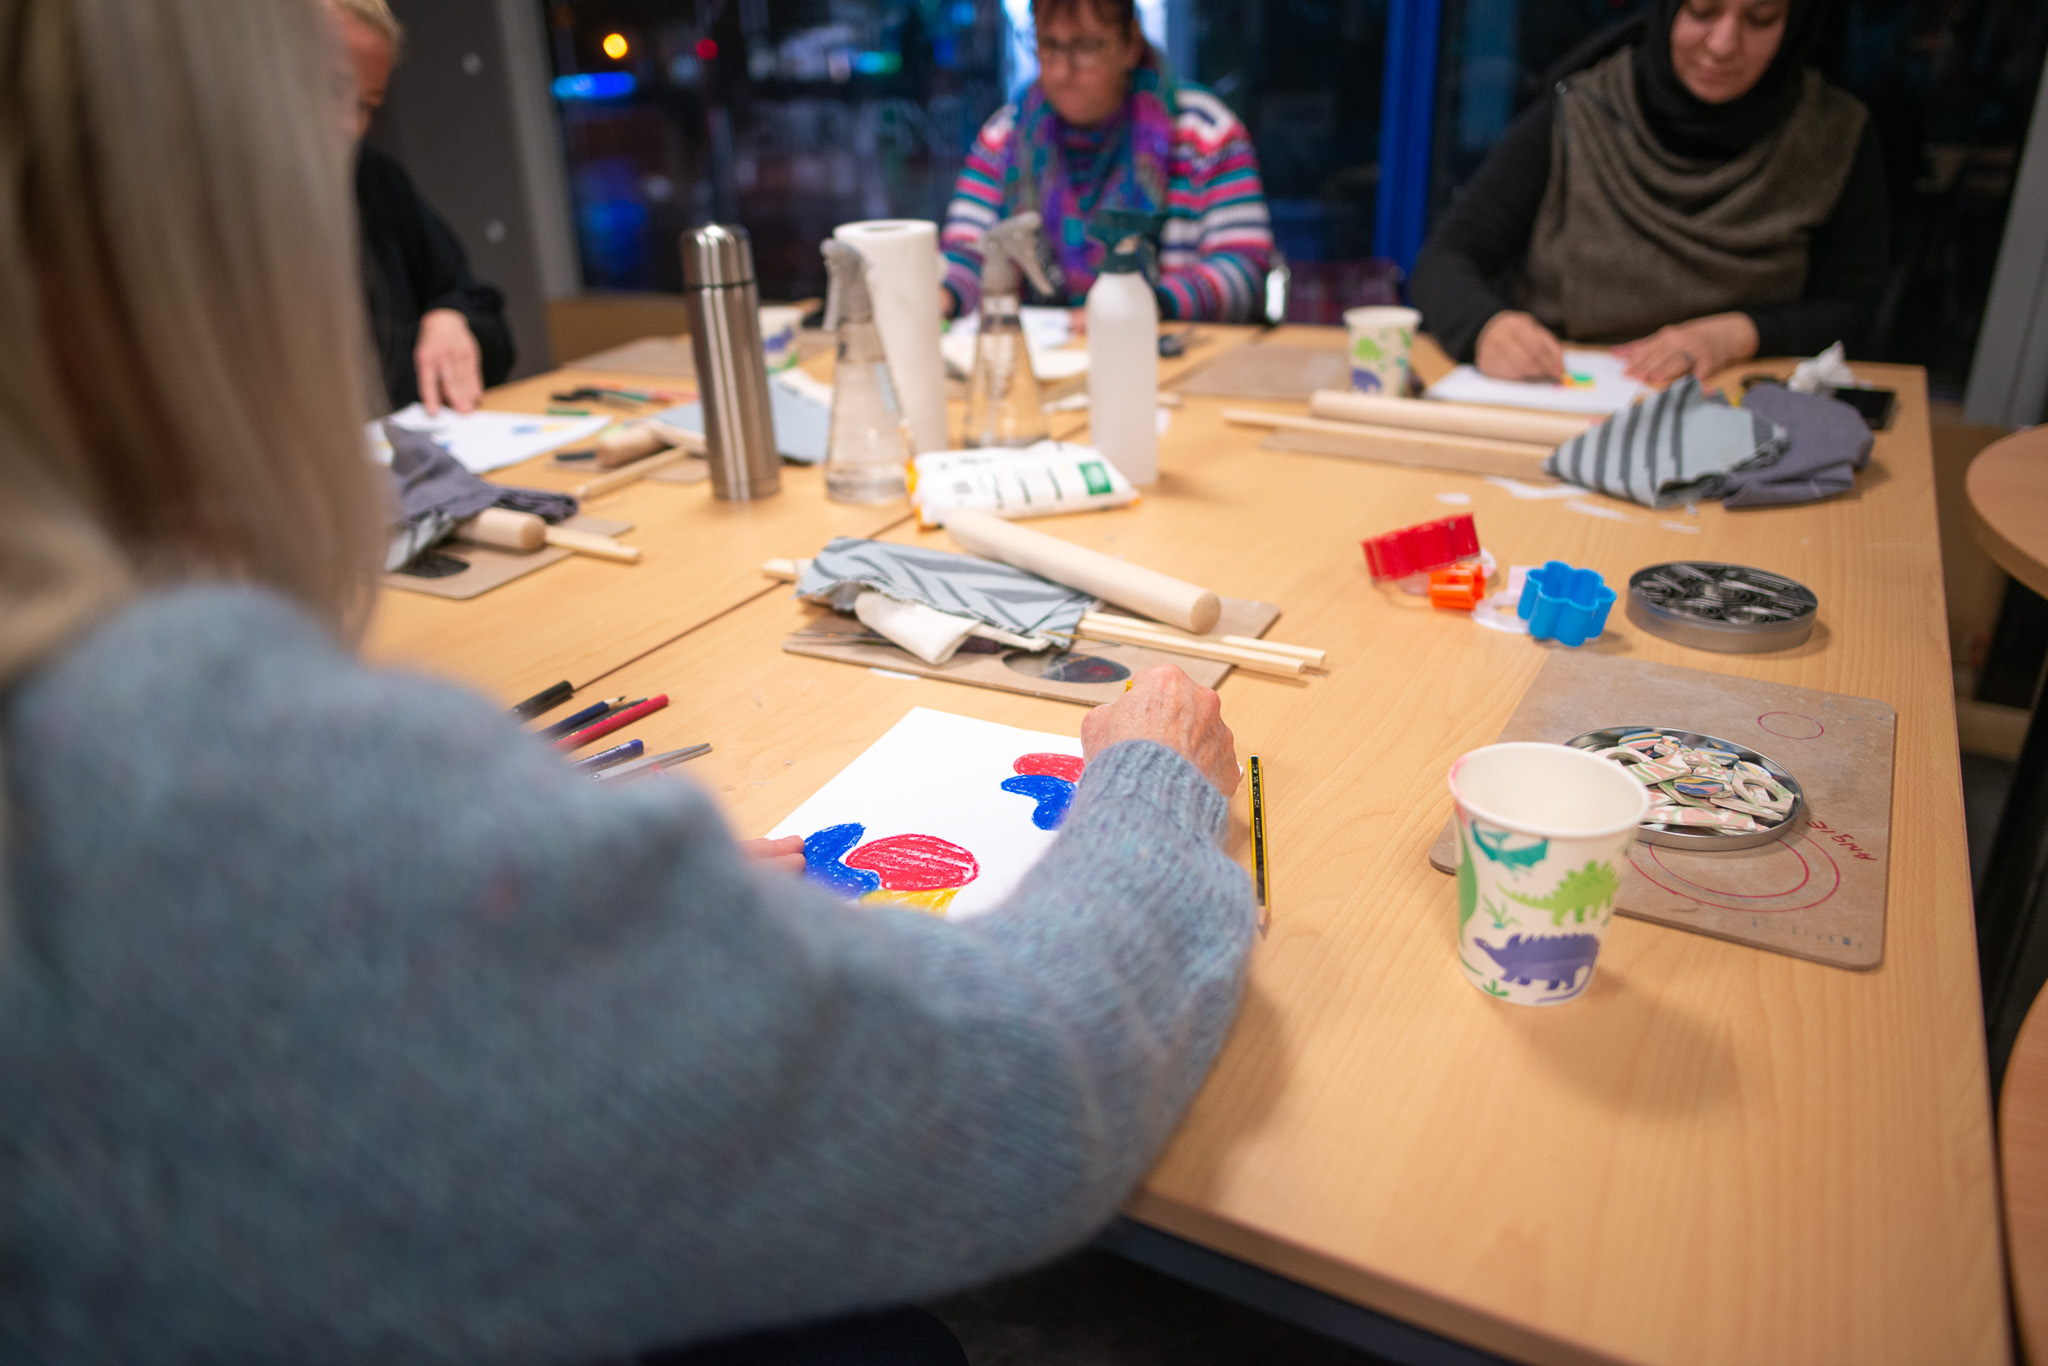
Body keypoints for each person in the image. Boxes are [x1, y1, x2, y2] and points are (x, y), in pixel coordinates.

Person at [0, 2, 1255, 1362]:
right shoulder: (207, 787)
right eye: (315, 134)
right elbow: (1031, 1085)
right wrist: (1150, 794)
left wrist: (550, 896)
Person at [1408, 0, 1888, 386]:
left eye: (1761, 19)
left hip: (1735, 403)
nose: (1723, 44)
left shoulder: (1832, 135)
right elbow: (1446, 258)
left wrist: (1739, 334)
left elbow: (1854, 311)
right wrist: (1485, 327)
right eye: (1702, 11)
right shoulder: (1582, 111)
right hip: (1563, 391)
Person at [940, 0, 1274, 323]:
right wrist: (945, 296)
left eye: (1084, 47)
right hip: (1050, 363)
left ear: (1130, 44)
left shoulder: (1205, 134)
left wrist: (1141, 307)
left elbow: (1243, 269)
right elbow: (968, 253)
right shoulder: (1005, 137)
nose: (1061, 69)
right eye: (1048, 44)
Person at [333, 0, 514, 414]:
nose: (349, 124)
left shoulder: (373, 179)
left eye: (367, 104)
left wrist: (451, 317)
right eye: (331, 88)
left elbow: (486, 315)